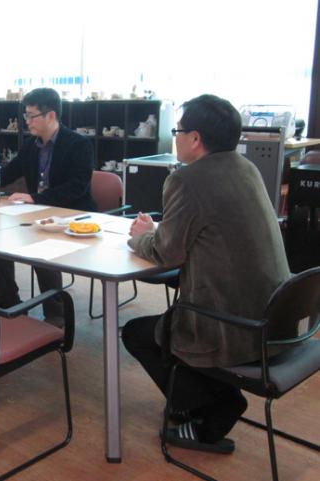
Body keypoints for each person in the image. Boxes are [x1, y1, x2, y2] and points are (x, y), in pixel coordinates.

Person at [121, 94, 290, 454]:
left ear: (195, 138)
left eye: (178, 132)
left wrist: (141, 237)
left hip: (233, 325)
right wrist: (160, 233)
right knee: (166, 322)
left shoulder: (188, 180)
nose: (175, 139)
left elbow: (167, 253)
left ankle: (215, 410)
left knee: (137, 333)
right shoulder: (245, 168)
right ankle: (197, 400)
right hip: (278, 316)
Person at [0, 88, 95, 323]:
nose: (27, 121)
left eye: (31, 115)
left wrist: (35, 198)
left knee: (41, 247)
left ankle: (55, 313)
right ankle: (9, 302)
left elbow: (77, 187)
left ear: (51, 115)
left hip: (72, 214)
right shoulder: (30, 145)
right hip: (38, 212)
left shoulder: (78, 144)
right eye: (26, 115)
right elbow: (7, 173)